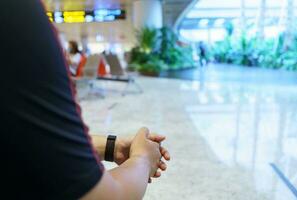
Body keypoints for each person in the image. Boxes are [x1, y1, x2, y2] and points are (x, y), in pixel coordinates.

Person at [0, 1, 170, 200]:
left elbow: (21, 134)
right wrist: (142, 159)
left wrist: (109, 147)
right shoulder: (16, 14)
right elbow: (99, 197)